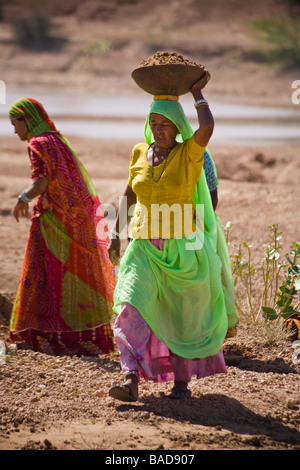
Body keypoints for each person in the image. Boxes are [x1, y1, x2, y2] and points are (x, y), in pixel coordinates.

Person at [108, 71, 239, 401]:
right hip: (143, 246)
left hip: (182, 246)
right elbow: (129, 195)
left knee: (181, 314)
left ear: (178, 126)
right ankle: (129, 379)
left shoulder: (189, 154)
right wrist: (113, 232)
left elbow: (207, 128)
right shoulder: (139, 153)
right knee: (131, 307)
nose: (158, 130)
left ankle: (181, 382)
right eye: (154, 124)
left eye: (165, 124)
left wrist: (197, 94)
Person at [9, 98, 115, 356]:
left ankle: (47, 337)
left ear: (27, 120)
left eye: (15, 124)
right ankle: (82, 337)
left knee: (46, 274)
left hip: (51, 221)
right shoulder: (57, 139)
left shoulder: (37, 143)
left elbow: (42, 181)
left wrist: (22, 198)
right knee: (72, 273)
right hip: (75, 220)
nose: (14, 131)